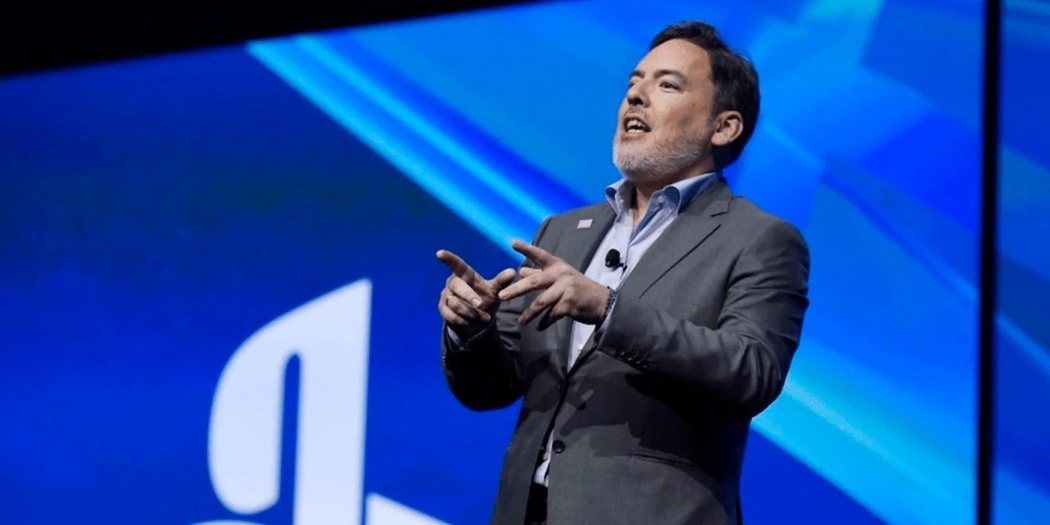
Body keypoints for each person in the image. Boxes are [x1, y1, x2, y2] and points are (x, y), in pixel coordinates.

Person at [436, 21, 809, 525]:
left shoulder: (758, 238)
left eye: (667, 84)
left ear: (723, 127)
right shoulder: (562, 232)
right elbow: (489, 388)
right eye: (634, 82)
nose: (635, 96)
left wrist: (608, 310)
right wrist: (472, 329)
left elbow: (751, 371)